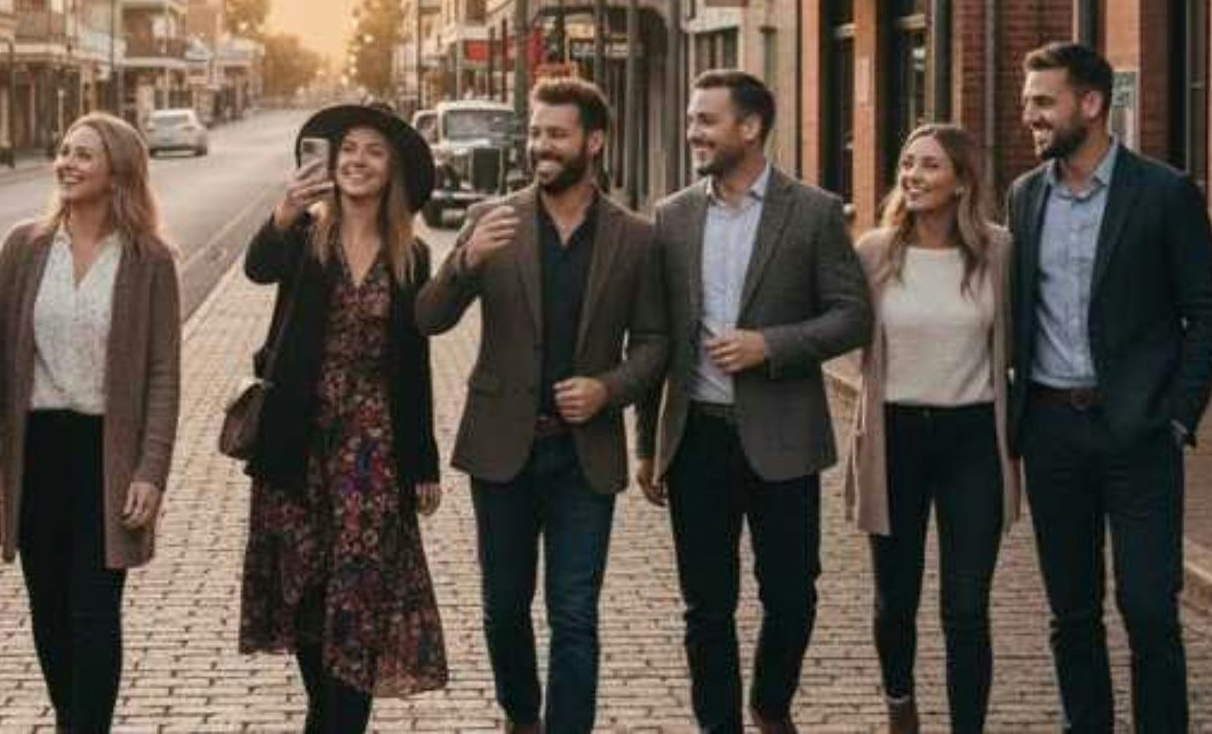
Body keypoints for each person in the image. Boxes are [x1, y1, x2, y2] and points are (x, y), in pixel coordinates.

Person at [417, 77, 668, 734]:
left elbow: (654, 343)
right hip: (502, 448)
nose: (540, 147)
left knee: (575, 613)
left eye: (555, 135)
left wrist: (608, 389)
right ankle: (521, 717)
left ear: (594, 142)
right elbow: (429, 318)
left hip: (583, 456)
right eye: (534, 134)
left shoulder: (635, 238)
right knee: (503, 607)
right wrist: (466, 260)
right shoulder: (490, 219)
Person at [637, 69, 871, 734]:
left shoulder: (815, 212)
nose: (693, 133)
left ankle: (770, 706)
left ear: (751, 127)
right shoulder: (673, 216)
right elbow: (656, 338)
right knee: (706, 607)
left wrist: (772, 345)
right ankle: (720, 726)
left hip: (785, 438)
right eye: (691, 120)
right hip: (698, 438)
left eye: (706, 121)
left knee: (793, 596)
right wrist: (649, 446)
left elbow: (853, 317)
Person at [1009, 41, 1212, 733]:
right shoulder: (1024, 195)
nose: (1028, 115)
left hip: (1139, 432)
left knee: (1150, 606)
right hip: (1051, 430)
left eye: (1043, 102)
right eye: (1028, 100)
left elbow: (1204, 310)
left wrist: (1180, 414)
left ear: (1090, 105)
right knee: (1071, 612)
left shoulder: (1164, 192)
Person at [0, 113, 180, 734]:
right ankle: (70, 717)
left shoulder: (149, 260)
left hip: (106, 451)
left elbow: (164, 374)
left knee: (94, 611)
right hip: (37, 449)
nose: (66, 163)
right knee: (50, 611)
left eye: (83, 154)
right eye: (63, 151)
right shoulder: (25, 246)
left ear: (118, 169)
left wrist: (151, 471)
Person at [239, 104, 447, 734]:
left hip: (372, 452)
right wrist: (283, 212)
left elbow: (414, 366)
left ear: (393, 172)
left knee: (358, 599)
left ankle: (338, 724)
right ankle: (323, 717)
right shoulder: (304, 236)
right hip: (296, 442)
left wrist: (423, 461)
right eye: (348, 149)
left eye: (373, 152)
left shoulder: (412, 256)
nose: (357, 160)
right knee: (307, 595)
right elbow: (256, 268)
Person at [844, 124, 1019, 734]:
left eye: (929, 166)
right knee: (896, 596)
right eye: (907, 163)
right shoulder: (873, 251)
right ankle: (900, 705)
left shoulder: (999, 252)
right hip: (894, 438)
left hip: (973, 436)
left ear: (962, 181)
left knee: (966, 604)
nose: (912, 176)